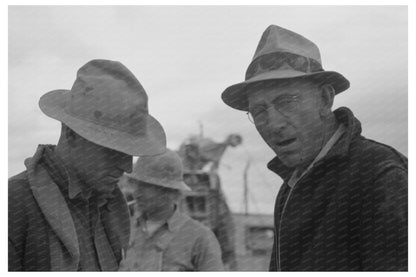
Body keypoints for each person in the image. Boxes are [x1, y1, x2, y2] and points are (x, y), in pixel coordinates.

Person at [221, 25, 407, 271]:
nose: (273, 123)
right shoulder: (291, 187)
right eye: (259, 111)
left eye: (286, 102)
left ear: (325, 99)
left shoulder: (378, 175)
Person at [8, 59, 167, 271]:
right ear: (71, 134)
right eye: (113, 149)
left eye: (129, 151)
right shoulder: (13, 206)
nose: (127, 167)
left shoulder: (109, 207)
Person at [119, 149, 224, 271]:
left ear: (170, 192)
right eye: (136, 184)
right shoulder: (123, 230)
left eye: (146, 186)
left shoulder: (200, 238)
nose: (136, 192)